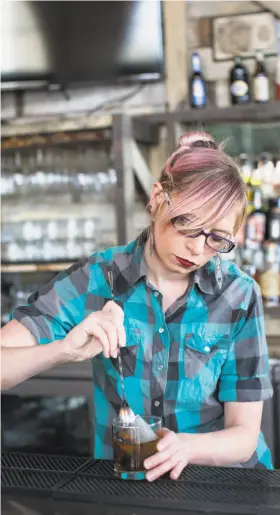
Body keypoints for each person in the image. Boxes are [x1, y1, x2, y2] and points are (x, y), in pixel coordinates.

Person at [1, 131, 273, 480]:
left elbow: (244, 436)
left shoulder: (238, 295)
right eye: (187, 225)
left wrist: (186, 447)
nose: (197, 249)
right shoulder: (97, 278)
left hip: (223, 483)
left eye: (217, 238)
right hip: (130, 481)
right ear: (158, 198)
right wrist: (61, 351)